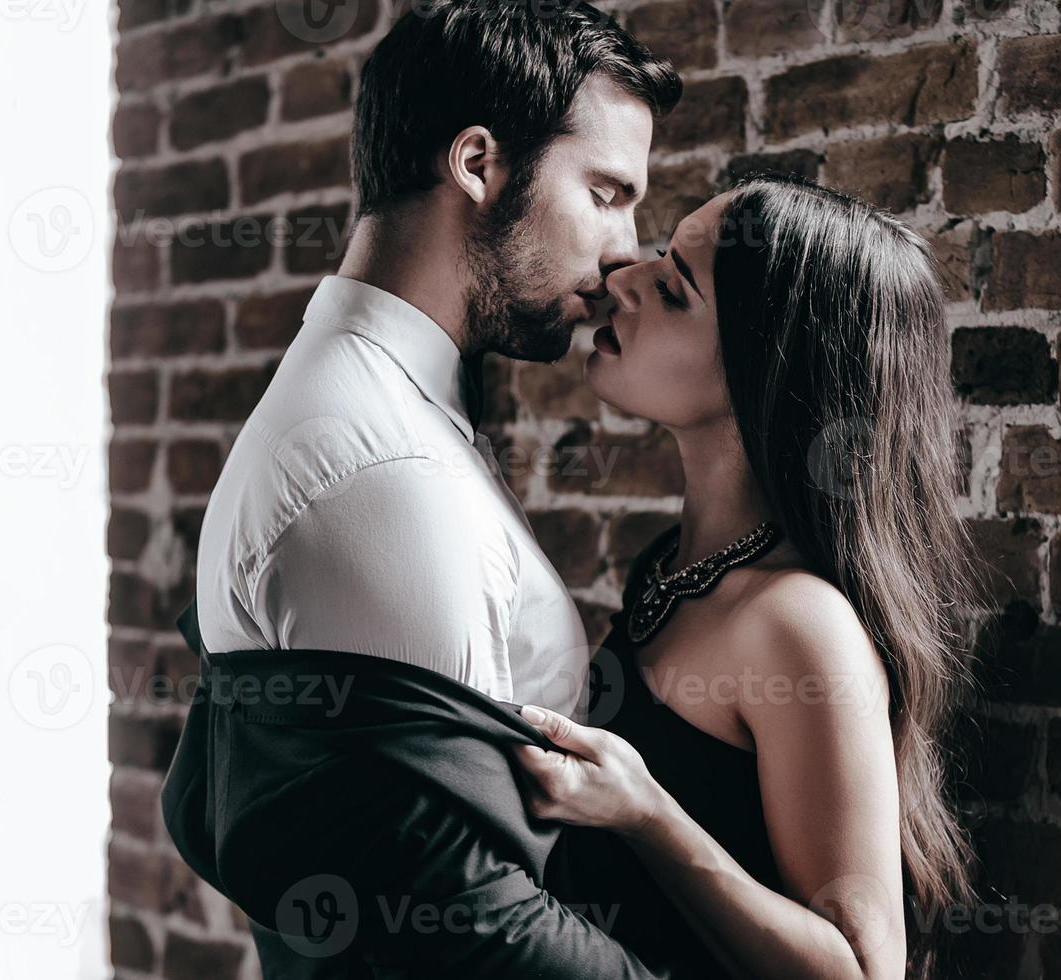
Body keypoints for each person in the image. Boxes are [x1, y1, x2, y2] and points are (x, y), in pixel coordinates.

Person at [169, 0, 684, 975]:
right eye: (608, 193)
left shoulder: (401, 402)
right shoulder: (384, 468)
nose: (626, 249)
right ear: (479, 164)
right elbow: (466, 920)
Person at [512, 175, 981, 980]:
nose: (618, 279)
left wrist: (646, 814)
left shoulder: (795, 623)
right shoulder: (673, 566)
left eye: (671, 288)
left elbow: (862, 970)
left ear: (764, 365)